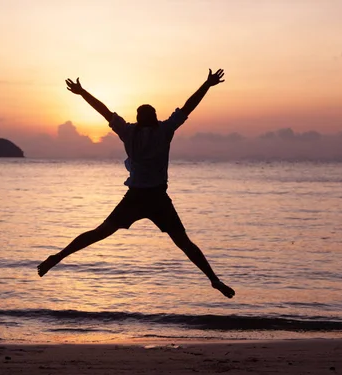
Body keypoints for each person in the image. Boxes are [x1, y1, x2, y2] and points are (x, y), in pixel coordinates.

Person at [38, 69, 235, 298]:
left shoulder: (128, 131)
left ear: (139, 119)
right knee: (183, 243)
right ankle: (214, 279)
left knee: (99, 233)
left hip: (136, 198)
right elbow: (188, 106)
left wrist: (83, 93)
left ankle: (58, 257)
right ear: (153, 118)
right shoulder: (164, 130)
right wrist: (207, 84)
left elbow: (104, 111)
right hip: (156, 199)